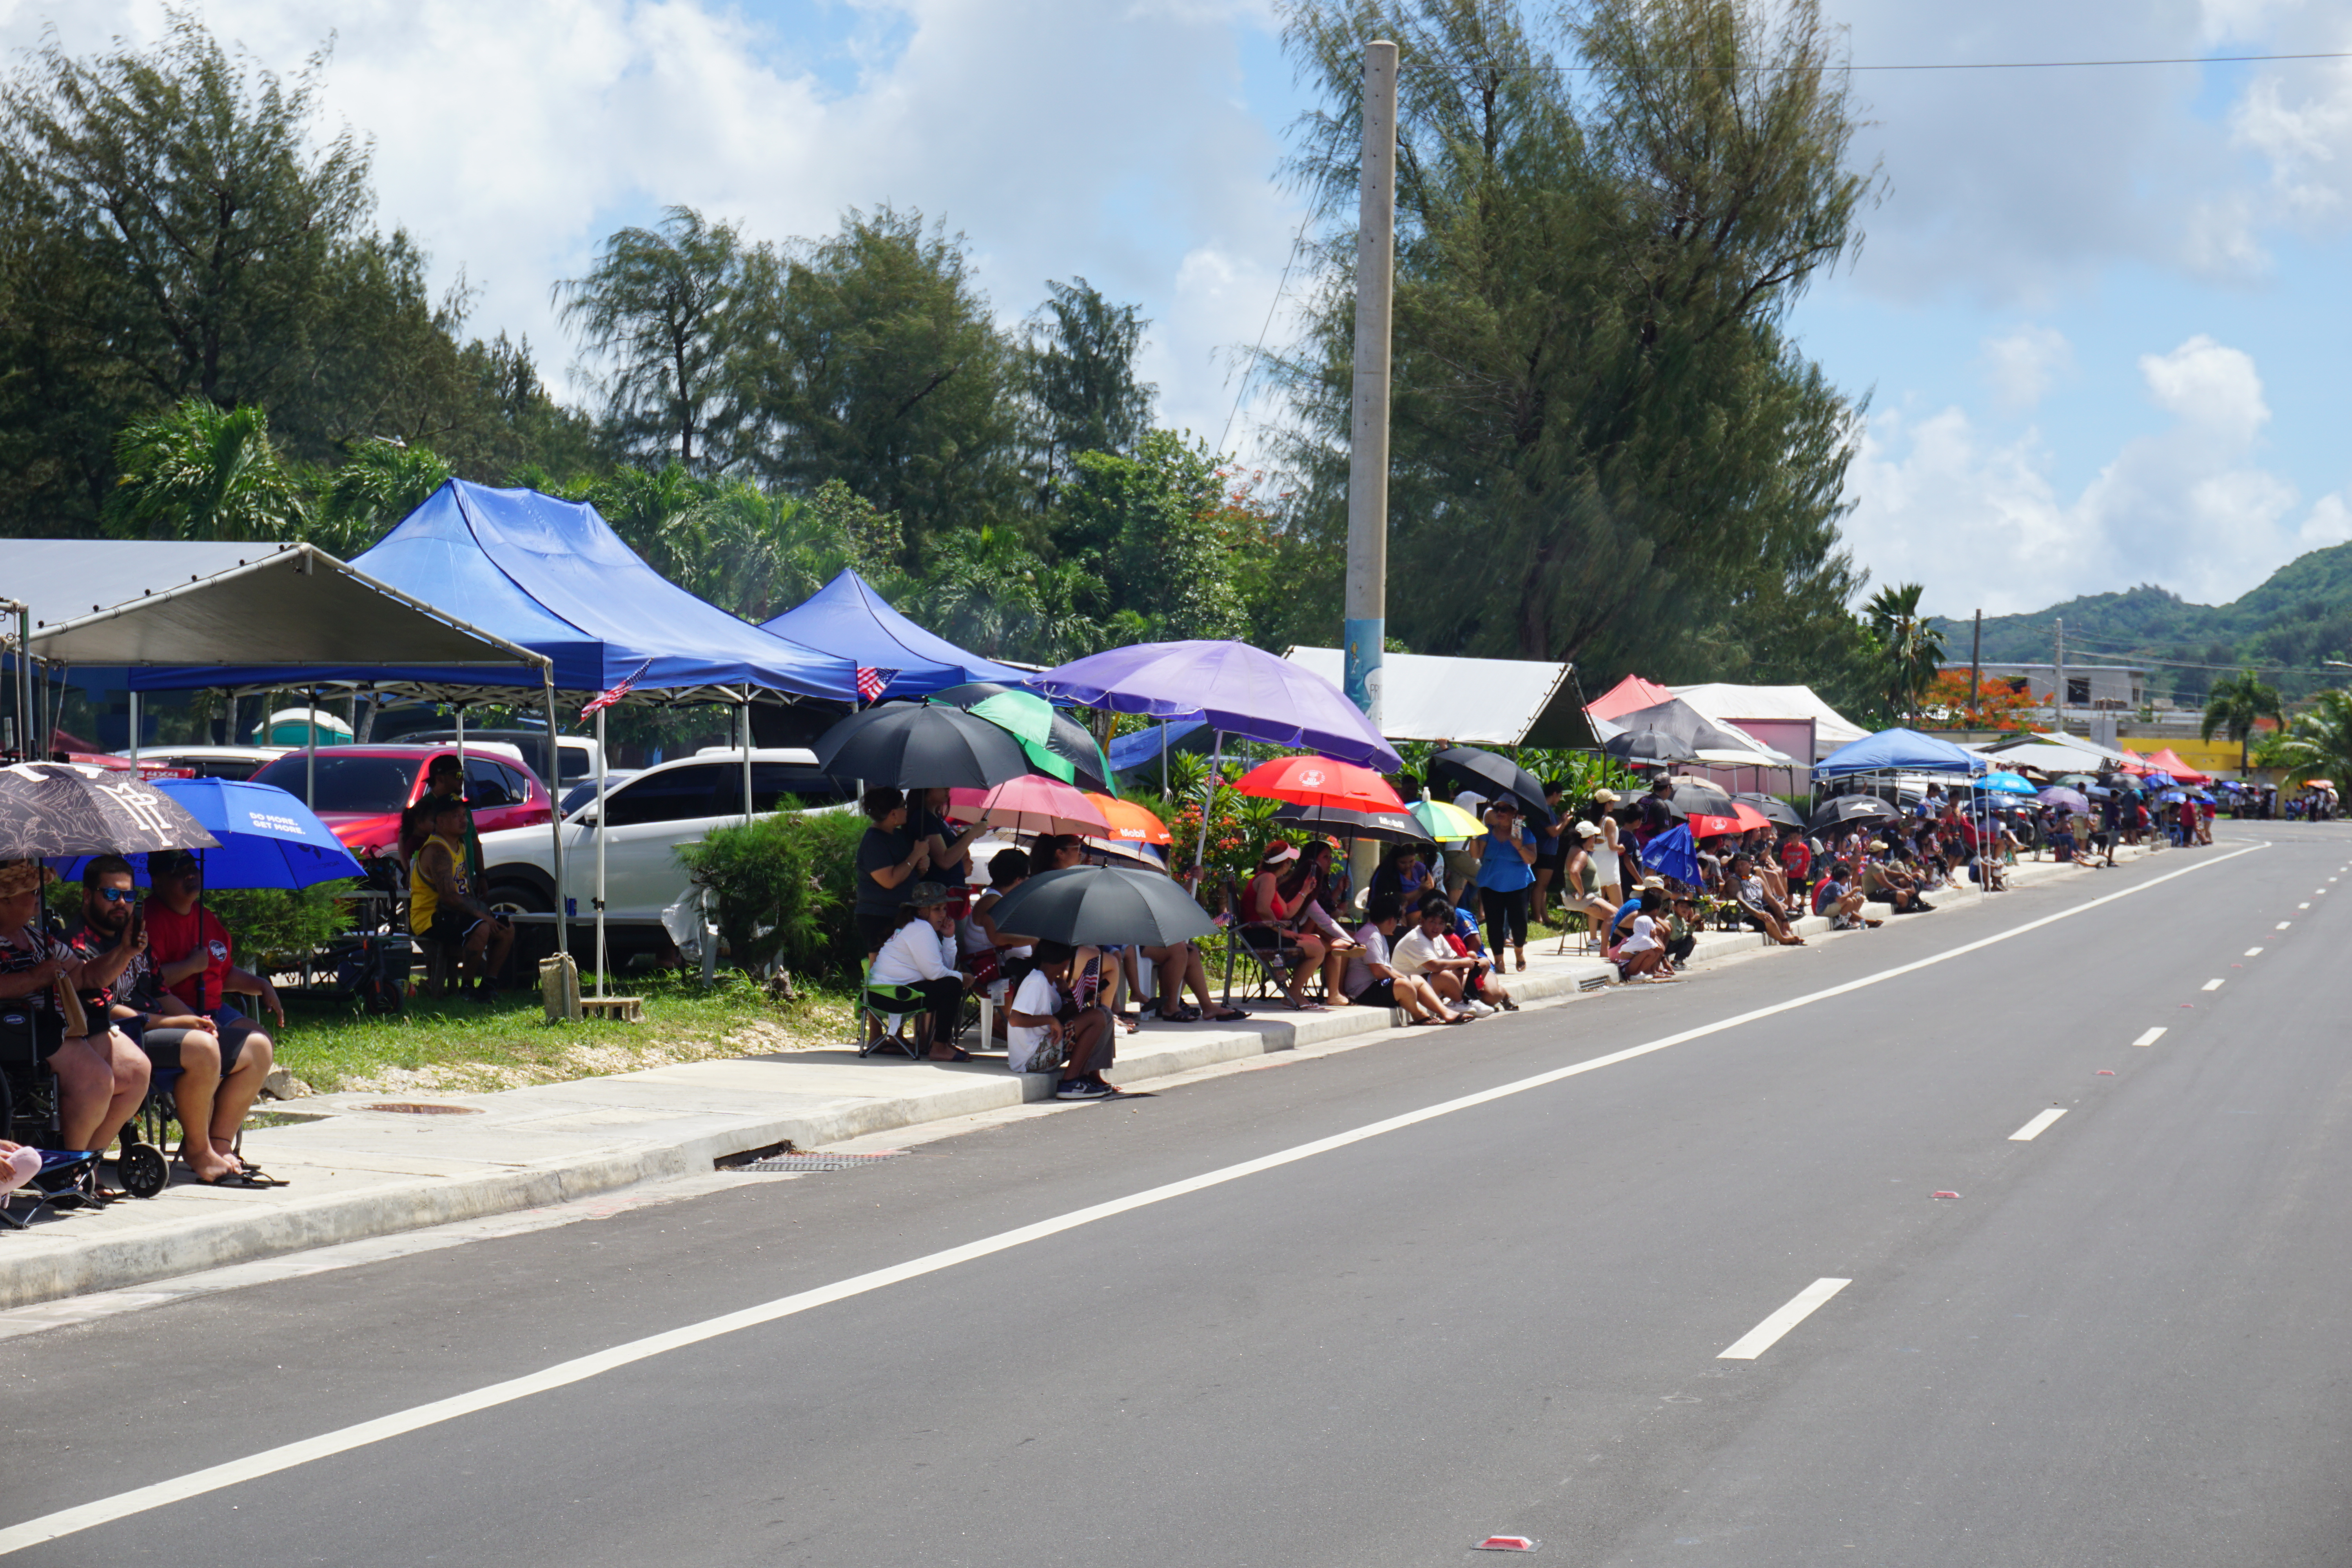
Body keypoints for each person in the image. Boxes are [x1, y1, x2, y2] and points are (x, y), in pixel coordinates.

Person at [69, 857, 265, 1185]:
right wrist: (169, 1023)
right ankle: (199, 1151)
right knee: (202, 1047)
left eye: (129, 896)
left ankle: (219, 1143)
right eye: (111, 894)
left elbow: (159, 991)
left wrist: (193, 1019)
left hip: (152, 1025)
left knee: (256, 1047)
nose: (121, 903)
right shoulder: (77, 942)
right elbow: (105, 1009)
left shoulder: (135, 937)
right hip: (121, 1033)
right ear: (88, 896)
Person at [0, 858, 149, 1179]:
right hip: (23, 1032)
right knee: (96, 1079)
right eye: (32, 892)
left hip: (60, 1027)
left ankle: (83, 1164)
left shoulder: (38, 938)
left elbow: (84, 976)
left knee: (135, 1071)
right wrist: (34, 978)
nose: (38, 899)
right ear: (5, 899)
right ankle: (69, 1173)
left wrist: (125, 952)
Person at [142, 852, 283, 1177]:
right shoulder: (147, 922)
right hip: (172, 1010)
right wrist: (190, 967)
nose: (190, 875)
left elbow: (223, 972)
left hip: (215, 1007)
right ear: (157, 880)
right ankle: (201, 1144)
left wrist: (261, 985)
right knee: (228, 1046)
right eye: (179, 871)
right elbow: (147, 983)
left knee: (261, 1045)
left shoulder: (207, 918)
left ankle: (220, 1143)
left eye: (193, 868)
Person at [409, 795, 514, 998]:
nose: (464, 820)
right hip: (430, 918)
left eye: (464, 815)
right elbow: (449, 897)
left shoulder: (460, 845)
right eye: (456, 816)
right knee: (481, 928)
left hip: (453, 913)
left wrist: (484, 911)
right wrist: (482, 917)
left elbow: (462, 891)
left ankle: (489, 985)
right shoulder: (438, 850)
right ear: (440, 821)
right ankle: (467, 989)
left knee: (507, 929)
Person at [867, 883, 972, 1061]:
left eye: (944, 909)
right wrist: (962, 978)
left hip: (886, 994)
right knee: (952, 985)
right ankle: (940, 1047)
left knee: (951, 983)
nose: (943, 914)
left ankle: (942, 1044)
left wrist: (949, 937)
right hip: (890, 996)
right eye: (937, 909)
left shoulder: (919, 927)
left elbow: (944, 968)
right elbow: (936, 975)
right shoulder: (920, 929)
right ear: (921, 911)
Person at [1003, 941, 1118, 1098]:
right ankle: (1070, 1082)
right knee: (1096, 1018)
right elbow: (1015, 1020)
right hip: (1031, 1059)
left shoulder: (1050, 983)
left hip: (1045, 1045)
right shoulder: (1036, 982)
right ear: (1066, 962)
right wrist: (1051, 1020)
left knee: (1104, 1013)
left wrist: (1082, 998)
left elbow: (1060, 1017)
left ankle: (1091, 1076)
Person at [1239, 840, 1332, 1012]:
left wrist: (1305, 891)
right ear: (1284, 864)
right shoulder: (1267, 878)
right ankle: (1293, 994)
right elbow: (1263, 909)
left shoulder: (1269, 879)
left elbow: (1288, 912)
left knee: (1316, 943)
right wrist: (1282, 932)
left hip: (1266, 932)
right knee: (1318, 949)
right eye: (1290, 862)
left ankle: (1294, 993)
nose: (1291, 865)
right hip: (1260, 934)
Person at [1343, 896, 1464, 1024]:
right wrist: (1403, 981)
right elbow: (1378, 972)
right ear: (1392, 920)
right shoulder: (1372, 936)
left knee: (1416, 980)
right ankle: (1418, 1015)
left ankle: (1446, 1013)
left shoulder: (1376, 933)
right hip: (1362, 992)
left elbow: (1386, 968)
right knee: (1404, 985)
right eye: (1398, 920)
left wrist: (1404, 978)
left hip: (1373, 986)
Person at [854, 788, 931, 958]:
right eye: (904, 806)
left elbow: (908, 872)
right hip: (879, 917)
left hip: (903, 914)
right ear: (893, 813)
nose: (907, 810)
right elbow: (889, 881)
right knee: (882, 969)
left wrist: (922, 866)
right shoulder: (874, 842)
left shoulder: (899, 836)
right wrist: (916, 854)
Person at [1392, 900, 1492, 1016]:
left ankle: (1464, 1000)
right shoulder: (1416, 939)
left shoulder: (1437, 937)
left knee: (1483, 963)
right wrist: (1462, 963)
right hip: (1409, 987)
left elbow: (1453, 958)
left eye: (1441, 923)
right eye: (1433, 922)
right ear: (1422, 921)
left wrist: (1470, 965)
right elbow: (1434, 966)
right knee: (1445, 976)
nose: (1436, 927)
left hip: (1429, 981)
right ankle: (1461, 1003)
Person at [1474, 800, 1537, 973]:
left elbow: (1532, 859)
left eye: (1504, 810)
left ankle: (1519, 951)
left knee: (1519, 923)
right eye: (1497, 809)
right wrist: (1473, 835)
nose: (1500, 813)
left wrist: (1519, 847)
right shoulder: (1487, 831)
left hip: (1518, 884)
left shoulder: (1523, 832)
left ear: (1514, 813)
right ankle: (1499, 960)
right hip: (1491, 883)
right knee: (1494, 923)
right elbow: (1476, 854)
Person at [910, 787, 985, 902]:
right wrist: (973, 833)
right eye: (942, 786)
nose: (948, 789)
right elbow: (945, 861)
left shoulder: (936, 817)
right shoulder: (924, 817)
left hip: (950, 892)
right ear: (927, 789)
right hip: (939, 895)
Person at [1557, 823, 1618, 945]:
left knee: (1616, 913)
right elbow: (1574, 872)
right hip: (1582, 899)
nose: (1595, 839)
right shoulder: (1581, 854)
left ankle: (1605, 946)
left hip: (1586, 898)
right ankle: (1605, 949)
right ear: (1591, 838)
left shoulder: (1576, 849)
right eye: (1595, 837)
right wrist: (1581, 892)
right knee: (1613, 915)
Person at [1728, 855, 1804, 946]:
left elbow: (1771, 899)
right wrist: (1758, 914)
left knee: (1776, 910)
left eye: (1742, 864)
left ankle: (1786, 934)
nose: (1740, 868)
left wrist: (1785, 919)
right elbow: (1741, 902)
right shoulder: (1734, 881)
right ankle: (1783, 939)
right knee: (1768, 917)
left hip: (1758, 912)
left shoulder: (1758, 881)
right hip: (1744, 915)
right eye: (1737, 865)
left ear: (1751, 865)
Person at [1615, 890, 1677, 981]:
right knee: (1652, 949)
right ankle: (1647, 972)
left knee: (1656, 942)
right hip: (1617, 950)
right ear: (1656, 910)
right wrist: (1652, 937)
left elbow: (1666, 930)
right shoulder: (1638, 917)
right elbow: (1617, 931)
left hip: (1631, 953)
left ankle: (1653, 970)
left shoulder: (1645, 916)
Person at [1529, 782, 1567, 922]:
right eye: (1560, 796)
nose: (1560, 800)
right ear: (1555, 794)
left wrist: (1561, 820)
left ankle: (1544, 915)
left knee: (1543, 886)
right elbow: (1554, 832)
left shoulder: (1548, 809)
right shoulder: (1544, 809)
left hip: (1548, 851)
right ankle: (1537, 916)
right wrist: (1566, 822)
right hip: (1544, 851)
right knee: (1540, 885)